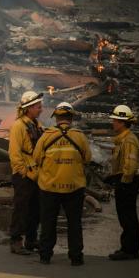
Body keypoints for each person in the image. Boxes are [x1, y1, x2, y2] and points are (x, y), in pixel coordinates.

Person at [32, 102, 91, 266]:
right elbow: (87, 159)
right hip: (74, 188)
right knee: (74, 223)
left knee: (48, 223)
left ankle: (45, 256)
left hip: (49, 188)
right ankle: (76, 257)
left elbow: (36, 159)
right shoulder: (80, 136)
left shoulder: (46, 136)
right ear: (71, 118)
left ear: (56, 118)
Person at [8, 90, 44, 255]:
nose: (41, 109)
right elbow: (15, 154)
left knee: (35, 209)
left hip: (36, 174)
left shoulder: (36, 125)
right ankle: (16, 241)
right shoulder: (18, 126)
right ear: (28, 108)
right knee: (21, 209)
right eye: (38, 106)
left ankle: (31, 239)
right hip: (24, 176)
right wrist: (23, 172)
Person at [106, 104, 139, 261]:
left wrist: (123, 182)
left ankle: (129, 250)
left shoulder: (128, 141)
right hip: (124, 181)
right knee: (126, 216)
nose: (113, 123)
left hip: (127, 183)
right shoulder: (123, 139)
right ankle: (128, 248)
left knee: (127, 216)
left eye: (115, 120)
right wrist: (114, 177)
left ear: (122, 123)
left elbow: (130, 164)